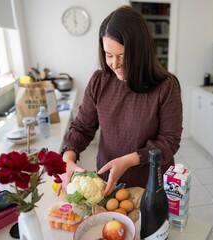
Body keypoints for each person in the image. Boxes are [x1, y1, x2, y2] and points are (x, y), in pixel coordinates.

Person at [59, 5, 182, 197]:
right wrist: (68, 159)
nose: (114, 64)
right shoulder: (100, 81)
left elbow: (169, 142)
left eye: (122, 56)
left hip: (151, 185)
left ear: (140, 51)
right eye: (109, 55)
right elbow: (82, 127)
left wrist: (129, 160)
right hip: (109, 183)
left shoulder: (166, 86)